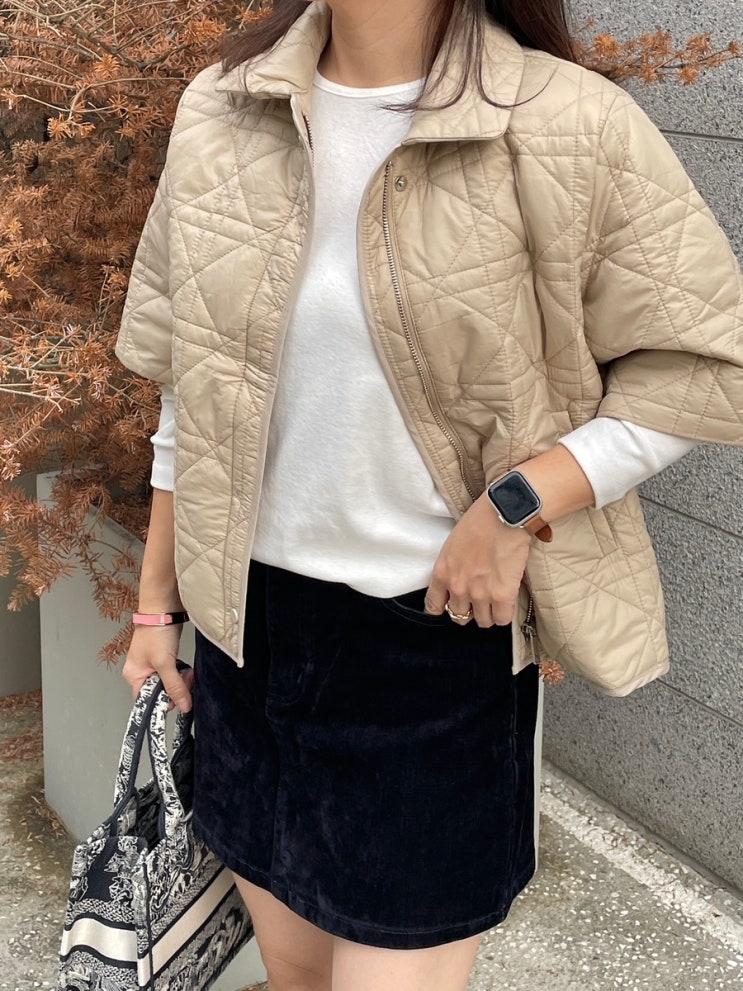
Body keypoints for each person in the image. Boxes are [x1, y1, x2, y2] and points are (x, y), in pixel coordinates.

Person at [114, 1, 743, 988]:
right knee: (292, 976)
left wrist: (515, 505)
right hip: (247, 638)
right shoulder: (223, 108)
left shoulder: (564, 123)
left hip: (430, 653)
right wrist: (156, 608)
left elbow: (708, 370)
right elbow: (190, 389)